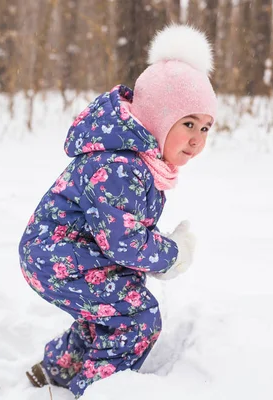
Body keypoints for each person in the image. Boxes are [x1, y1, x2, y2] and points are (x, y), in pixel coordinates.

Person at [18, 24, 217, 398]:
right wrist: (171, 255)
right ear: (158, 118)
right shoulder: (119, 166)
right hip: (56, 255)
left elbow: (122, 230)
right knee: (137, 318)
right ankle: (94, 390)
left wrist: (160, 248)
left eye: (206, 127)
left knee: (111, 309)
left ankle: (55, 370)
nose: (197, 139)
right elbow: (123, 241)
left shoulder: (140, 160)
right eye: (187, 123)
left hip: (74, 252)